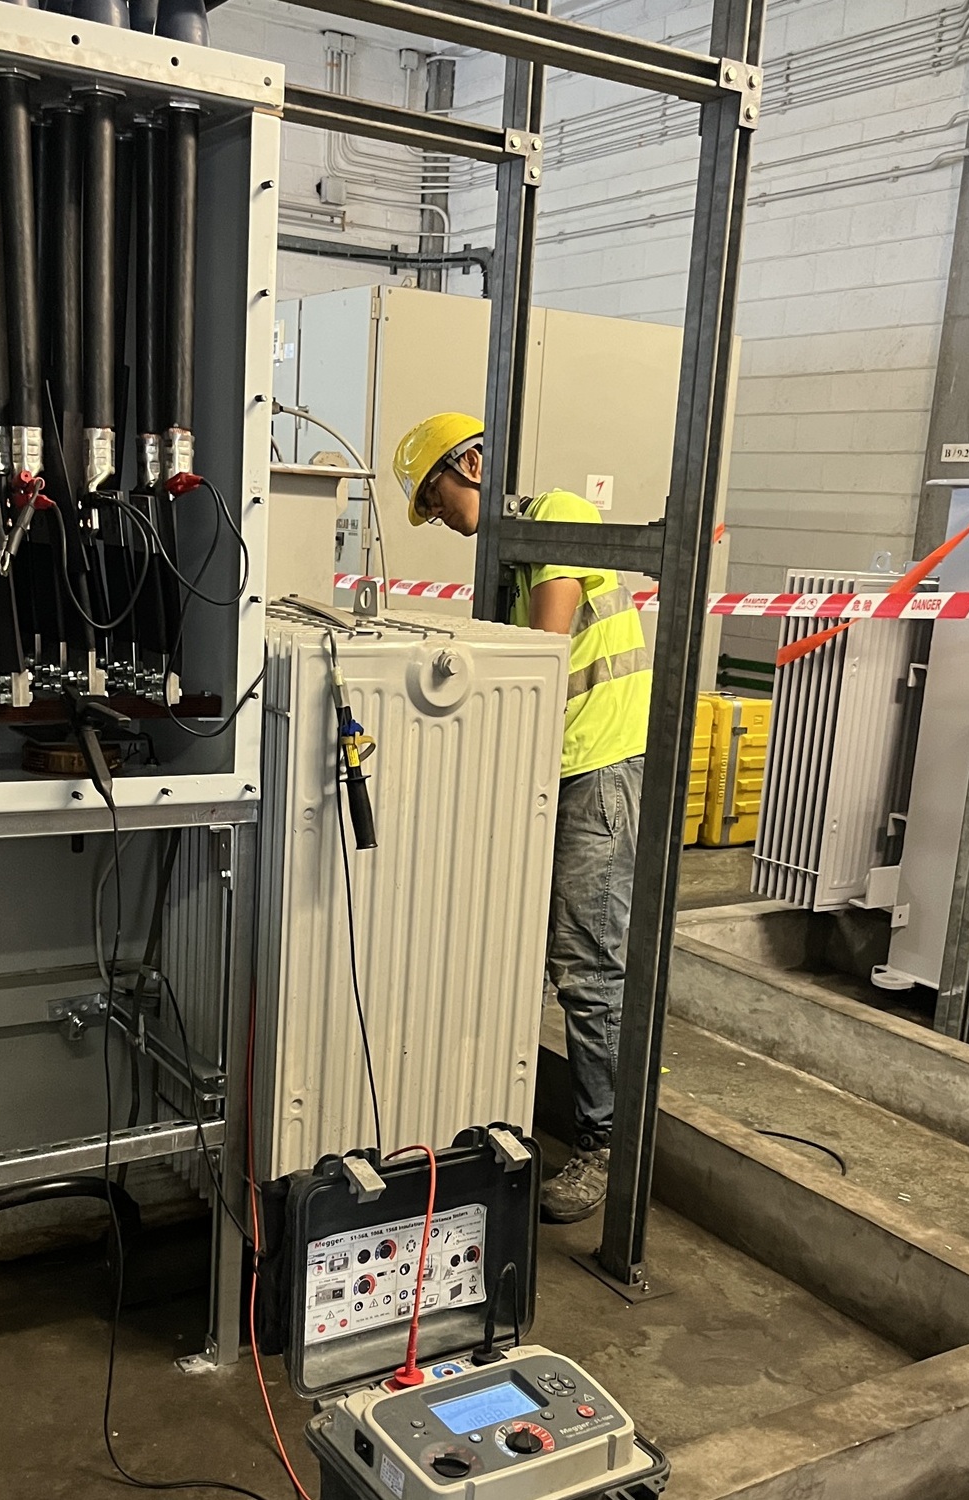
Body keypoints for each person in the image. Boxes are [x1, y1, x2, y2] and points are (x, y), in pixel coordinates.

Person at [392, 413, 652, 1223]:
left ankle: (606, 1147)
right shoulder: (507, 564)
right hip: (554, 772)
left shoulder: (557, 516)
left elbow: (541, 657)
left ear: (471, 464)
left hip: (598, 769)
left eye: (436, 498)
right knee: (521, 950)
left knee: (587, 962)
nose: (439, 518)